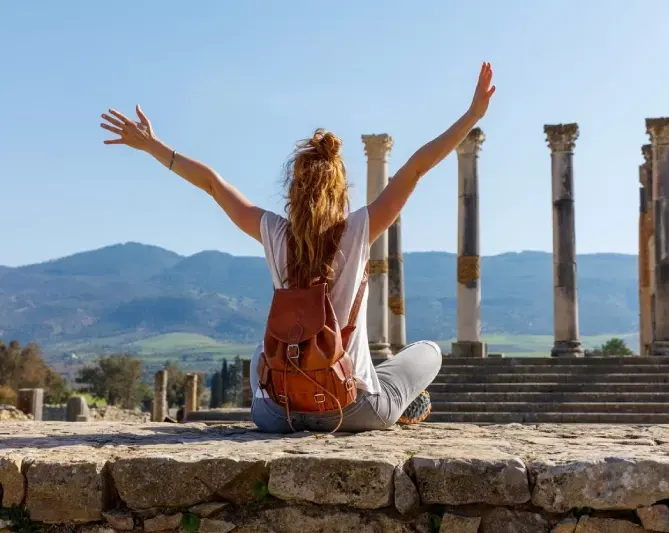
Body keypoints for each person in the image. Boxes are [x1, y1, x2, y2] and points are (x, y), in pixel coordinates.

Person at [100, 62, 496, 432]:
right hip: (352, 410)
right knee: (428, 352)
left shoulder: (273, 232)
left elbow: (213, 184)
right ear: (340, 190)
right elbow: (415, 168)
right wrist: (472, 116)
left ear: (293, 190)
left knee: (261, 351)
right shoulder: (358, 229)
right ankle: (399, 399)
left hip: (279, 413)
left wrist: (154, 146)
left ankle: (372, 393)